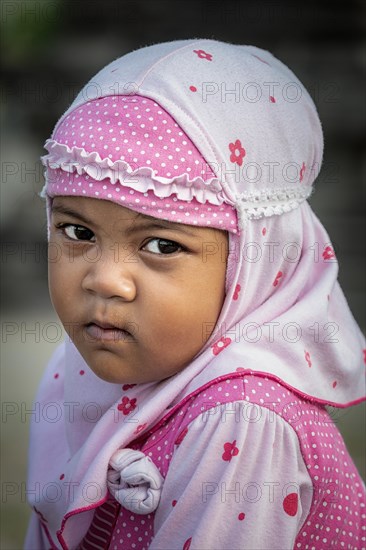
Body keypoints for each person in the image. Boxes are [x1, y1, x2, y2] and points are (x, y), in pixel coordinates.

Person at [25, 39, 365, 550]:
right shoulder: (77, 366)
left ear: (255, 261)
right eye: (78, 233)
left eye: (161, 244)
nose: (103, 280)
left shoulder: (241, 417)